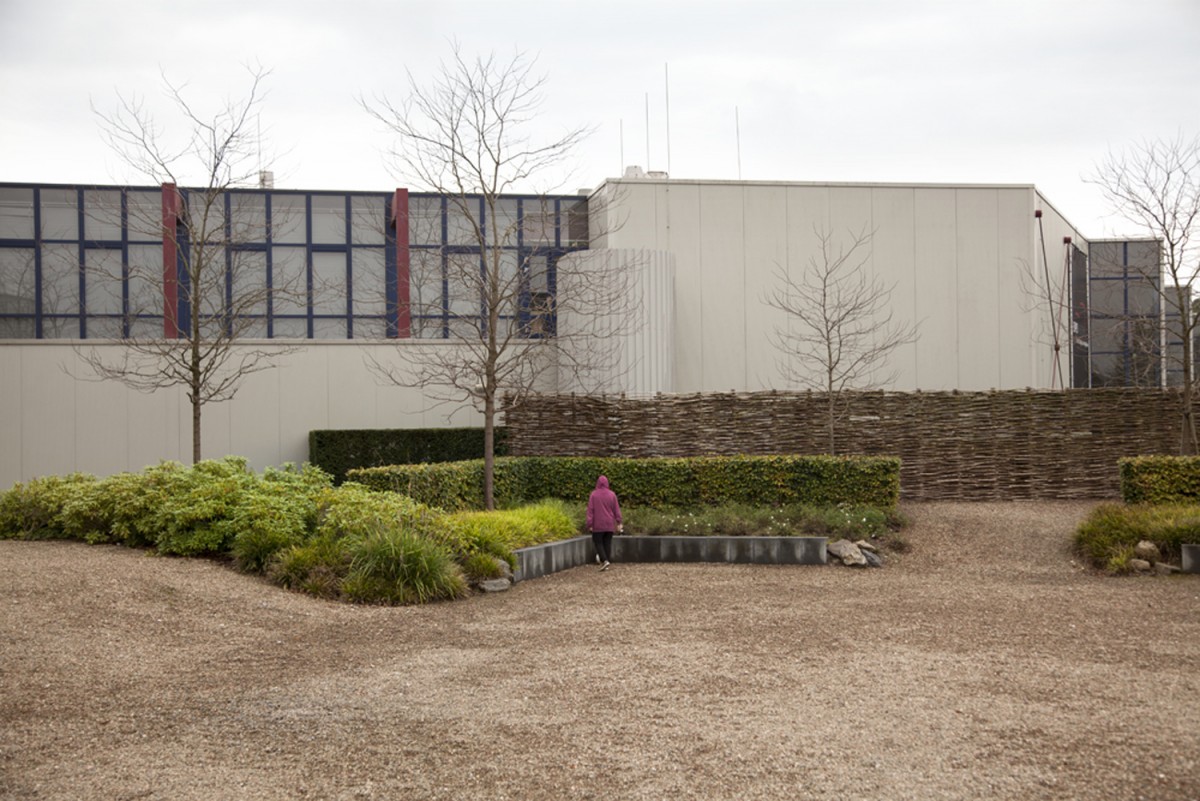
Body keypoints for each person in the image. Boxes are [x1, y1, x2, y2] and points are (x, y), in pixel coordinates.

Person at [586, 475, 622, 571]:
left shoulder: (594, 495)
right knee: (607, 543)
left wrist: (589, 524)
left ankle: (605, 560)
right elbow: (616, 509)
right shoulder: (612, 495)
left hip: (598, 524)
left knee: (598, 542)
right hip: (609, 524)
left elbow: (590, 510)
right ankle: (606, 561)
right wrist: (619, 522)